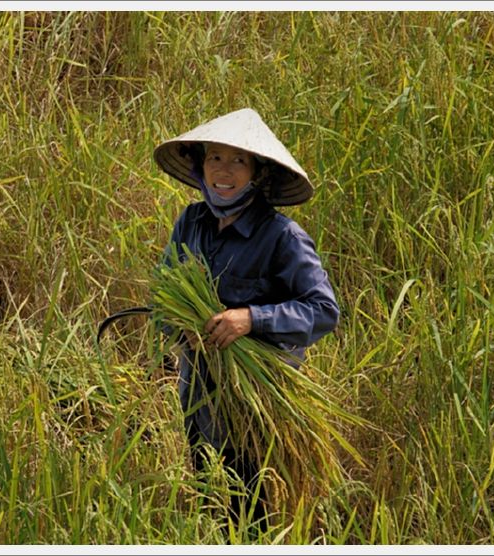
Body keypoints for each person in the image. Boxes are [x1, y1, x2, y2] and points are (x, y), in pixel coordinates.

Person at [153, 108, 340, 534]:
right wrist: (181, 325)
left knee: (248, 507)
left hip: (254, 398)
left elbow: (323, 310)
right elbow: (162, 291)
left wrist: (251, 319)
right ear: (201, 165)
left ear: (257, 174)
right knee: (208, 496)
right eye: (215, 157)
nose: (224, 170)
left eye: (238, 160)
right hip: (198, 390)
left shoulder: (282, 237)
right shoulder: (191, 222)